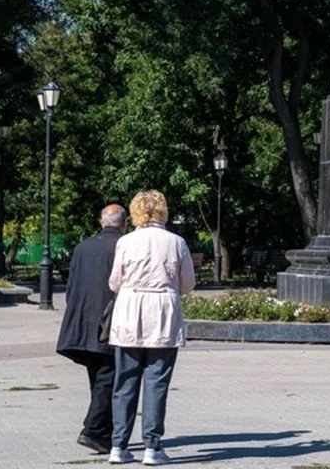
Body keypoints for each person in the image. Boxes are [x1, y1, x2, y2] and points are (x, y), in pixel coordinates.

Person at [107, 190, 196, 465]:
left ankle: (118, 446)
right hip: (162, 313)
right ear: (163, 211)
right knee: (157, 382)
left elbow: (114, 282)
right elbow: (187, 284)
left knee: (125, 381)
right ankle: (152, 446)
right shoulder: (176, 242)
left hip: (130, 312)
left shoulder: (126, 241)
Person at [56, 204, 128, 455]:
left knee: (98, 377)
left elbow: (71, 285)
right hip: (110, 320)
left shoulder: (82, 247)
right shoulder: (125, 245)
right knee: (108, 376)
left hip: (82, 322)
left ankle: (103, 435)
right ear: (124, 224)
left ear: (101, 222)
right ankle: (93, 430)